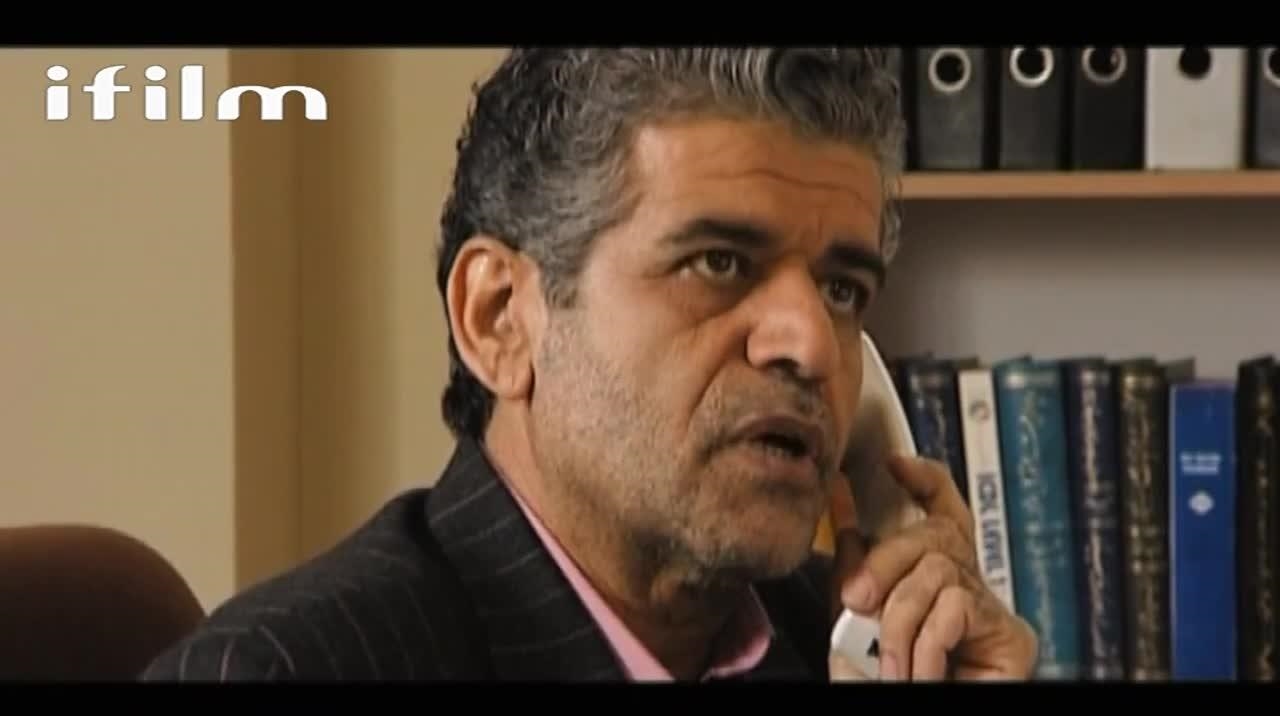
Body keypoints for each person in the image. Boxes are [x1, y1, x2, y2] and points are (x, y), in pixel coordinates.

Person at [140, 47, 1037, 683]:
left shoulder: (855, 644)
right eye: (718, 262)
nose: (809, 345)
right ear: (499, 320)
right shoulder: (281, 670)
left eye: (842, 290)